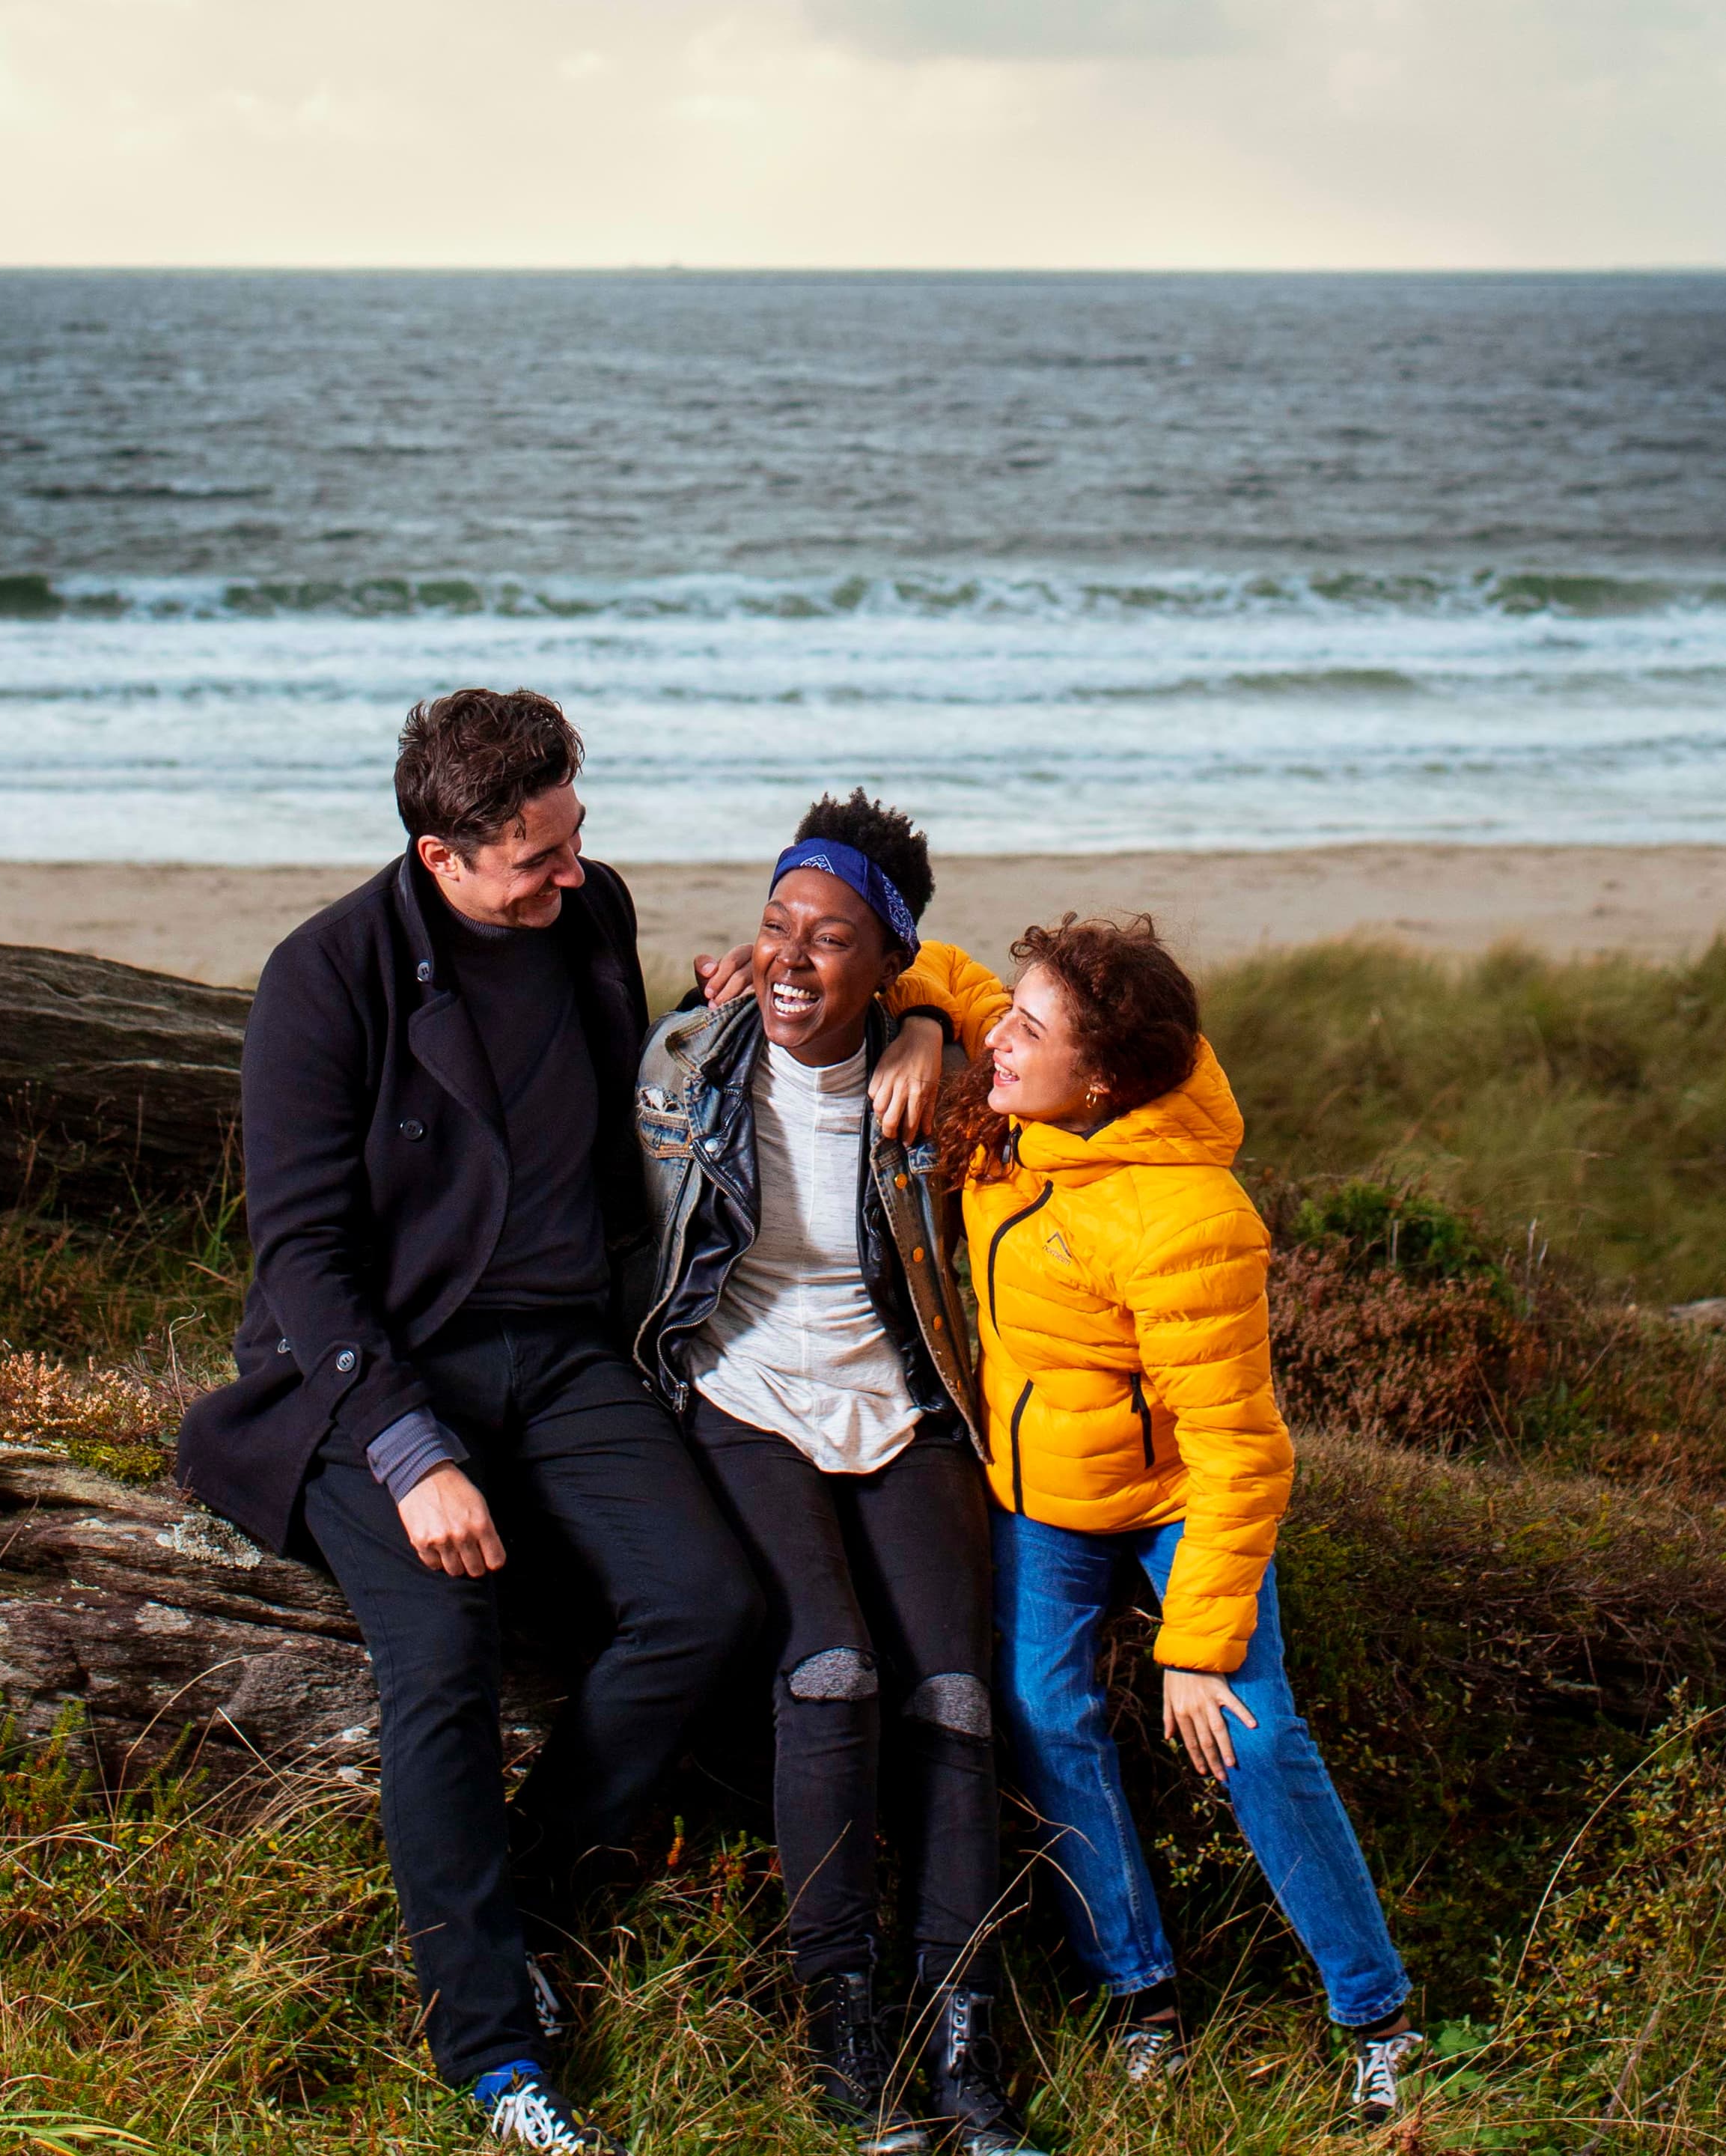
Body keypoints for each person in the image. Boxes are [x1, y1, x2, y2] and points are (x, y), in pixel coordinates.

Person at [176, 688, 764, 2155]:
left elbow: (611, 1111)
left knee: (710, 1600)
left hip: (565, 1359)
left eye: (577, 839)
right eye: (537, 860)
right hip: (384, 1372)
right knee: (445, 1646)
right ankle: (493, 2054)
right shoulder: (326, 978)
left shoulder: (592, 911)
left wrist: (711, 1021)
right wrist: (412, 1454)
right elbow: (300, 1259)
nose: (574, 876)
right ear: (443, 856)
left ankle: (525, 1906)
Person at [901, 915, 1426, 2119]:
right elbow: (941, 965)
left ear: (1102, 1080)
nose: (1002, 1042)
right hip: (1046, 1497)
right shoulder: (1021, 1096)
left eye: (1029, 1034)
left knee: (1249, 1728)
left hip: (1182, 1497)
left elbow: (1241, 1451)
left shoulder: (1187, 1218)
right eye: (1012, 1021)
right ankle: (1140, 1993)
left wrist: (1193, 1652)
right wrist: (928, 1018)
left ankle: (1379, 2018)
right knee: (1042, 1711)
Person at [629, 792, 1043, 2156]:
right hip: (741, 1391)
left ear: (892, 961)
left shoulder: (946, 1080)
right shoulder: (686, 1062)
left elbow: (1024, 1038)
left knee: (960, 1695)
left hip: (901, 1394)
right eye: (776, 927)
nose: (795, 959)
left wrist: (931, 1027)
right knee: (833, 1670)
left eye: (834, 939)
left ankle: (966, 2023)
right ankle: (845, 2021)